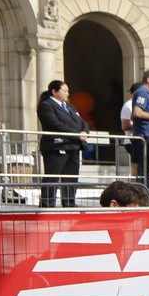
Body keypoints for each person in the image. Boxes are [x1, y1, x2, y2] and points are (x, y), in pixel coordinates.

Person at [37, 80, 89, 208]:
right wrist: (76, 133)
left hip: (73, 145)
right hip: (57, 145)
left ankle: (69, 203)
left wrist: (84, 131)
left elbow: (82, 121)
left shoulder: (70, 107)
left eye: (68, 91)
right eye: (64, 91)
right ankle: (47, 204)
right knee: (53, 176)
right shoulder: (46, 105)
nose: (67, 93)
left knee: (71, 177)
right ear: (54, 92)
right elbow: (54, 124)